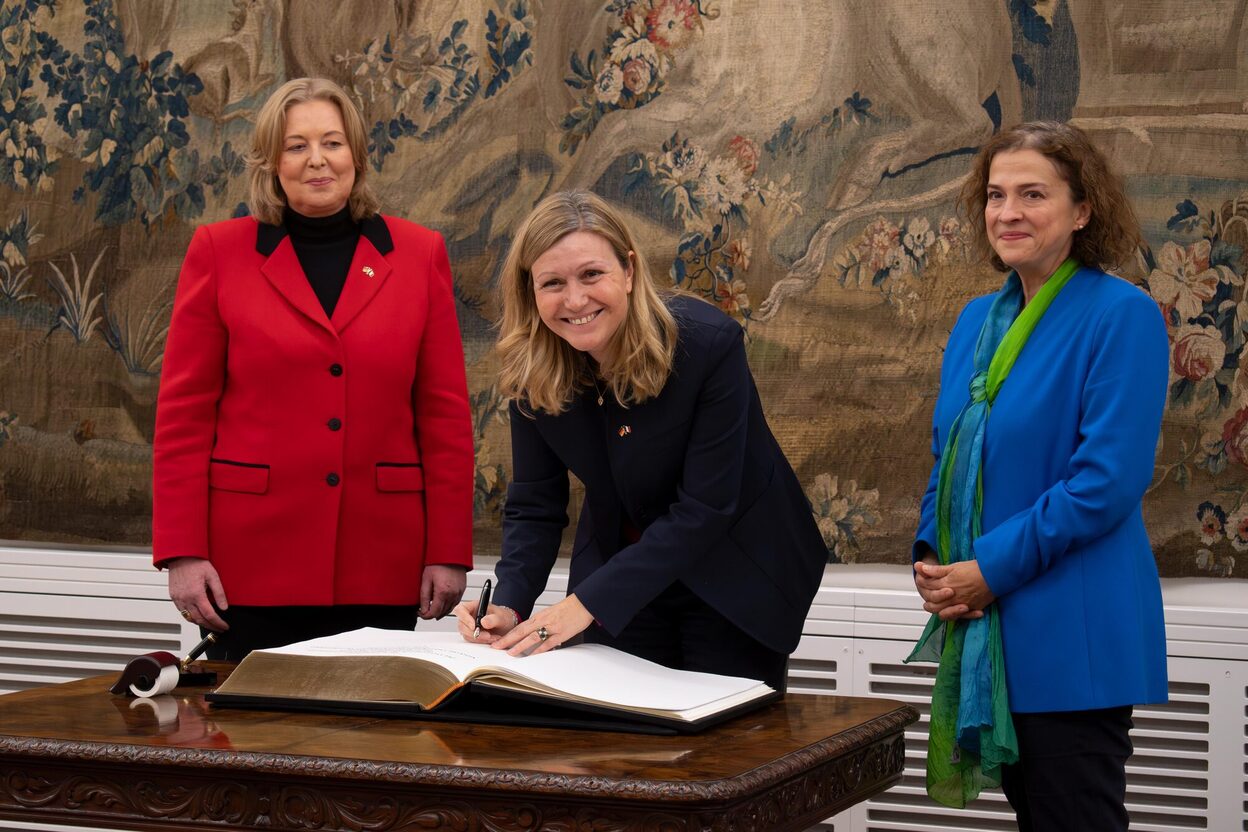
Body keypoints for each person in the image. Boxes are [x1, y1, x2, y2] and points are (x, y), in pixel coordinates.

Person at [452, 190, 827, 691]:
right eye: (553, 283)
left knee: (720, 753)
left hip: (735, 569)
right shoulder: (530, 369)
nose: (576, 300)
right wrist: (510, 601)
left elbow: (707, 508)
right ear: (530, 291)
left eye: (592, 274)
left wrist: (582, 605)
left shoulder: (707, 345)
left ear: (628, 270)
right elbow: (536, 504)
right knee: (621, 748)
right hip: (623, 575)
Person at [152, 77, 474, 660]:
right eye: (296, 145)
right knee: (248, 744)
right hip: (248, 561)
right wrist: (181, 550)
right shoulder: (219, 253)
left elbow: (444, 413)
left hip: (380, 558)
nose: (316, 160)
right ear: (272, 161)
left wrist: (447, 550)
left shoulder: (418, 253)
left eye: (332, 142)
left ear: (356, 153)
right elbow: (184, 414)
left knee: (369, 741)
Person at [908, 121, 1168, 830]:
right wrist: (933, 555)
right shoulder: (974, 321)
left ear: (1083, 211)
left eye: (1032, 194)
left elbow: (1105, 483)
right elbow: (951, 452)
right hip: (988, 623)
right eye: (995, 195)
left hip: (1072, 634)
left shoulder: (1125, 316)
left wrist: (986, 568)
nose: (1008, 212)